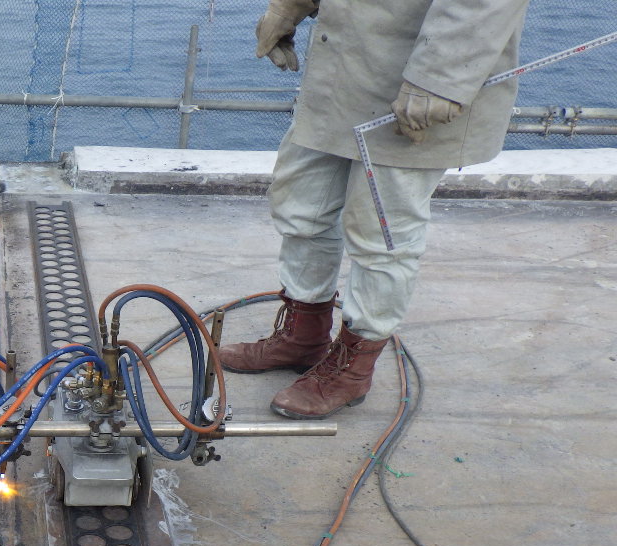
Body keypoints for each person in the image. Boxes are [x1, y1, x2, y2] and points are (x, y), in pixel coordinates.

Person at [220, 0, 532, 419]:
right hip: (341, 71)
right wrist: (289, 6)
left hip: (414, 89)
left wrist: (439, 79)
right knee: (300, 206)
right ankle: (302, 338)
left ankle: (352, 371)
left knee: (381, 235)